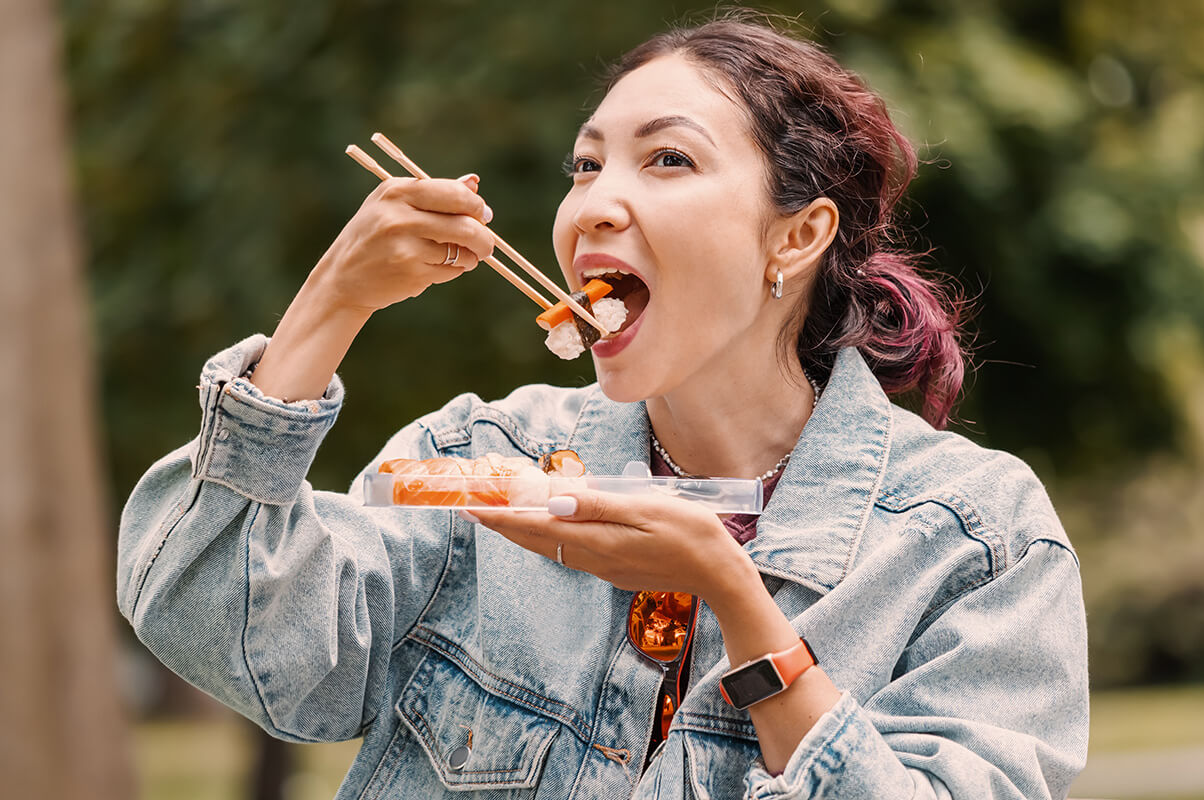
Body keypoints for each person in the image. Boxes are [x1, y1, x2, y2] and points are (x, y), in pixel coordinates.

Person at [117, 14, 1088, 800]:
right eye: (586, 166)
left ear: (795, 235)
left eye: (666, 160)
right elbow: (208, 607)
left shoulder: (972, 539)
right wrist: (330, 304)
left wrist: (740, 606)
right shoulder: (479, 461)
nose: (591, 206)